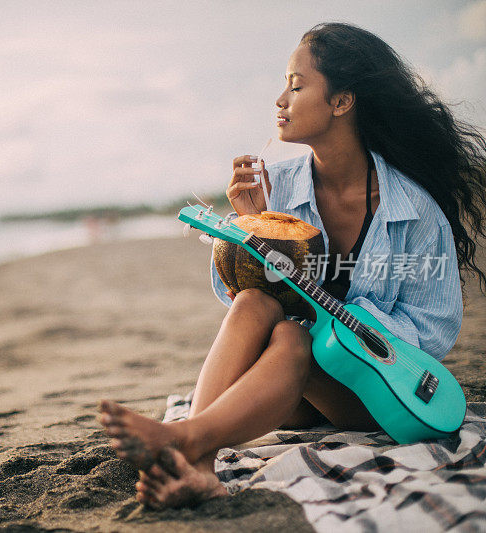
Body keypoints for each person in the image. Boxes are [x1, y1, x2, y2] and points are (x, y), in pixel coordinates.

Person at [98, 22, 486, 508]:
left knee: (295, 336)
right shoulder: (275, 187)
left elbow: (434, 328)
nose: (280, 99)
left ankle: (184, 439)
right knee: (260, 307)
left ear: (342, 102)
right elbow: (232, 297)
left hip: (376, 391)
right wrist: (251, 224)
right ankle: (199, 466)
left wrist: (349, 330)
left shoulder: (414, 209)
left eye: (297, 86)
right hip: (285, 391)